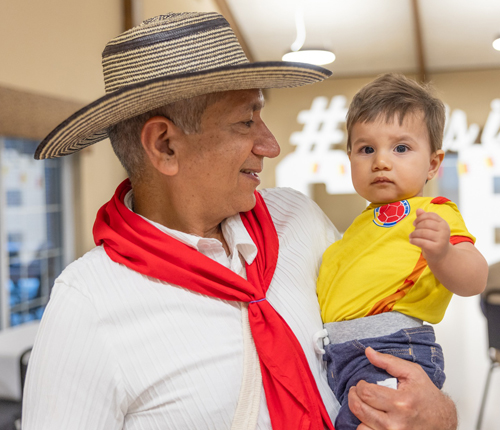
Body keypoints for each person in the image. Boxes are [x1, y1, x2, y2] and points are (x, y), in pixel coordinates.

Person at [23, 13, 459, 430]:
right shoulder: (87, 305)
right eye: (246, 121)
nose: (270, 145)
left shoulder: (299, 218)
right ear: (165, 146)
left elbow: (385, 330)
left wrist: (439, 414)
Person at [316, 73, 488, 429]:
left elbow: (475, 279)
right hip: (342, 354)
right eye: (366, 149)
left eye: (401, 148)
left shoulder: (435, 211)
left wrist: (443, 254)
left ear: (433, 164)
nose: (381, 161)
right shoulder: (356, 228)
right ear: (349, 157)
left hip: (391, 346)